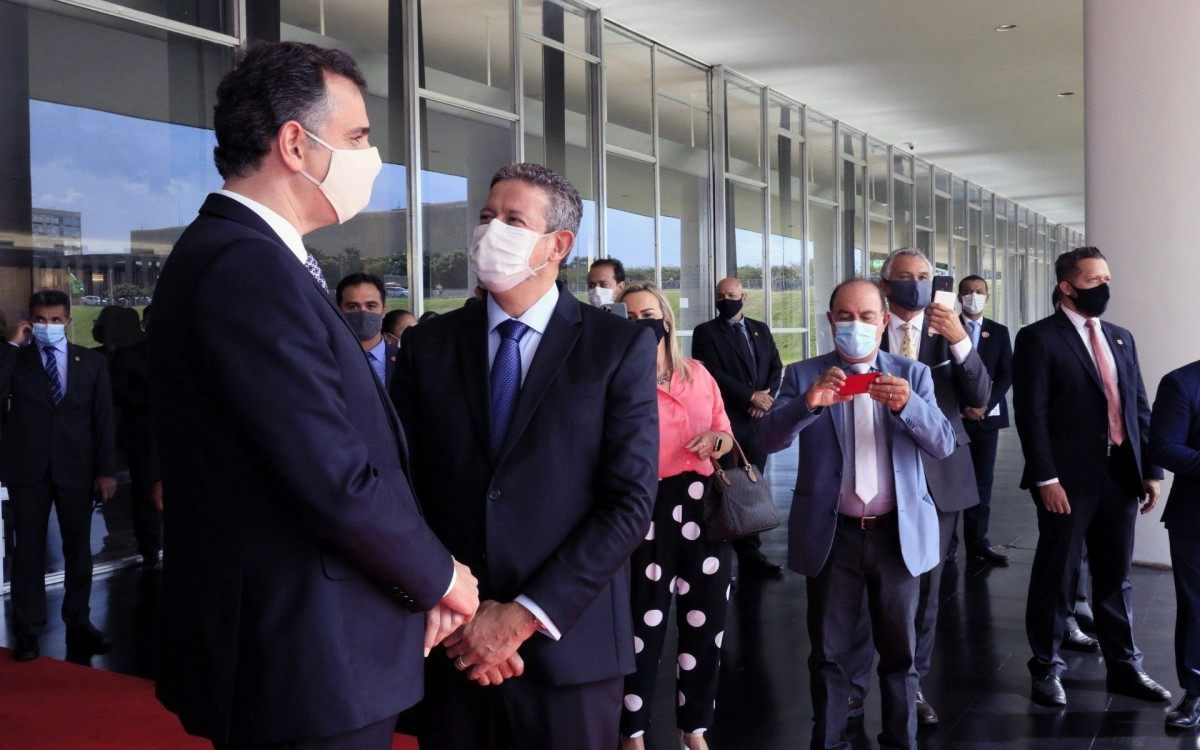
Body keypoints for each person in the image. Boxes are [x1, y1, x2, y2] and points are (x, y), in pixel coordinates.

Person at [149, 40, 478, 748]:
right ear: (296, 143)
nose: (370, 156)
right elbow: (331, 475)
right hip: (302, 658)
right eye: (357, 136)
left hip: (313, 647)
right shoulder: (246, 268)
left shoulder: (251, 259)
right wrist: (441, 576)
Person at [392, 162, 659, 750]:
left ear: (557, 245)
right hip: (452, 641)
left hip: (569, 648)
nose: (491, 231)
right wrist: (452, 602)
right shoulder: (428, 346)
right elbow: (399, 484)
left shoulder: (617, 347)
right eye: (487, 217)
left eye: (513, 220)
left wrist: (520, 617)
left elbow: (629, 503)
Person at [759, 279, 955, 750]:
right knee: (828, 655)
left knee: (899, 655)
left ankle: (900, 741)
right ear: (830, 321)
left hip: (897, 534)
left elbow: (944, 443)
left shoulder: (913, 375)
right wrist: (809, 405)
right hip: (833, 534)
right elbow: (764, 440)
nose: (856, 325)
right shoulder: (804, 374)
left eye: (867, 316)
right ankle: (827, 742)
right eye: (845, 316)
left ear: (884, 321)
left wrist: (908, 405)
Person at [1013, 245, 1168, 707]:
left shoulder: (1121, 337)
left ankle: (1125, 668)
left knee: (1116, 575)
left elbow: (1138, 405)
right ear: (1067, 286)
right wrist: (1045, 479)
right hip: (1067, 480)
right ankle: (1046, 667)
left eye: (1107, 278)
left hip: (1121, 474)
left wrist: (1151, 470)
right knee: (1057, 576)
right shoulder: (1039, 338)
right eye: (1094, 279)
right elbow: (1031, 415)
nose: (1104, 286)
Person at [847, 248, 990, 725]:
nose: (915, 283)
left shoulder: (950, 331)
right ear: (886, 285)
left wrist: (960, 342)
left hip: (939, 475)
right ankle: (852, 686)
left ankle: (913, 686)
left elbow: (980, 397)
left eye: (924, 276)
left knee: (926, 591)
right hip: (872, 474)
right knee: (862, 589)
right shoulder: (866, 328)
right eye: (904, 276)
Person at [616, 282, 734, 750]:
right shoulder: (618, 379)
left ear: (665, 320)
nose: (640, 324)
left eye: (647, 313)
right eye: (628, 317)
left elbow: (725, 430)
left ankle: (695, 728)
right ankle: (633, 730)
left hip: (703, 507)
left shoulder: (698, 373)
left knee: (705, 625)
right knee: (642, 627)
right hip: (644, 506)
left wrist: (716, 442)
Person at [1, 290, 117, 662]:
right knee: (28, 552)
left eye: (54, 320)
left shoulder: (93, 362)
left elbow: (103, 420)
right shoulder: (17, 360)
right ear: (29, 321)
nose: (47, 326)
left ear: (67, 322)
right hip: (28, 470)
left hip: (77, 469)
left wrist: (106, 470)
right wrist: (11, 347)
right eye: (39, 319)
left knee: (78, 549)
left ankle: (79, 623)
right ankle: (28, 631)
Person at [691, 277, 785, 578]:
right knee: (726, 487)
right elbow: (711, 372)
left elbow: (775, 366)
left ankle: (750, 550)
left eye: (731, 294)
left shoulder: (760, 329)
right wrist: (749, 397)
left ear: (743, 296)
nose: (725, 299)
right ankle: (726, 550)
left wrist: (765, 398)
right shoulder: (705, 332)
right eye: (720, 294)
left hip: (758, 420)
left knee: (751, 484)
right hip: (727, 420)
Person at [1150, 359, 1200, 729]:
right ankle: (1196, 694)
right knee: (1197, 606)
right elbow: (1164, 447)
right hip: (1194, 518)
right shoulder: (1181, 382)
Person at [956, 275, 1012, 566]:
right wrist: (964, 406)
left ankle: (978, 542)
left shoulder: (999, 332)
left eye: (979, 292)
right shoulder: (943, 330)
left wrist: (984, 404)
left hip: (986, 419)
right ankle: (948, 545)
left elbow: (1006, 374)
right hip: (953, 418)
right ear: (958, 297)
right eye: (967, 292)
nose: (973, 296)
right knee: (951, 480)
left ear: (987, 297)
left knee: (982, 482)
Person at [111, 304, 162, 571]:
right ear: (144, 325)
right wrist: (153, 400)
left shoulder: (183, 354)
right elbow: (118, 391)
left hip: (178, 436)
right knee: (146, 494)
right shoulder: (128, 356)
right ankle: (150, 551)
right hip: (144, 436)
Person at [336, 272, 396, 388]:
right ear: (339, 311)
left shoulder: (405, 359)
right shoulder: (325, 360)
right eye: (353, 306)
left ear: (384, 310)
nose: (363, 312)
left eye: (371, 306)